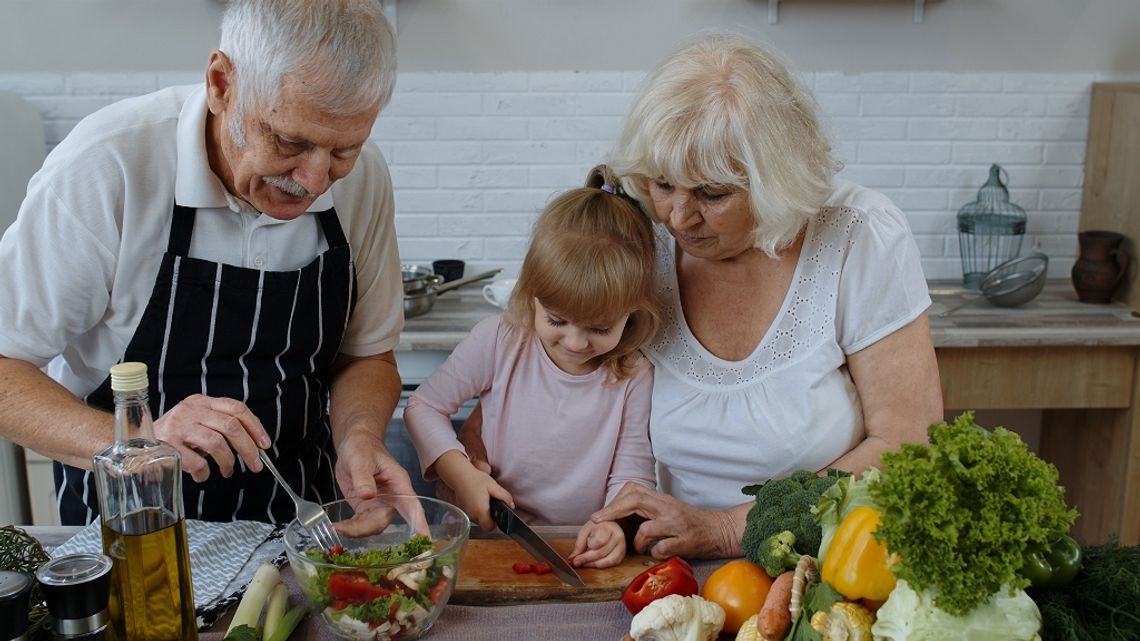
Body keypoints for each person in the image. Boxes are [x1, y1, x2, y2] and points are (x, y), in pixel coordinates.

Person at [461, 33, 944, 560]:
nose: (676, 217)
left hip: (822, 565)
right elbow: (550, 365)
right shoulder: (638, 233)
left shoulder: (859, 236)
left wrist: (727, 528)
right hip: (657, 566)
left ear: (776, 182)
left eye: (711, 194)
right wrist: (470, 453)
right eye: (662, 184)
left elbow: (905, 444)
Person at [0, 0, 415, 525]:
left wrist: (360, 436)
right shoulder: (109, 165)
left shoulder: (364, 178)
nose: (313, 180)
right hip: (133, 526)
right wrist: (138, 441)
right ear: (221, 83)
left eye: (343, 151)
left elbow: (367, 358)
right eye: (289, 141)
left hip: (303, 528)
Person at [404, 167, 661, 569]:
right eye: (557, 320)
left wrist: (615, 525)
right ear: (531, 294)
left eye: (599, 327)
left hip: (576, 543)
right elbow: (423, 407)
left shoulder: (632, 374)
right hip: (488, 537)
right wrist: (461, 474)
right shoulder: (500, 339)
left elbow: (633, 471)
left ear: (633, 313)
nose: (576, 343)